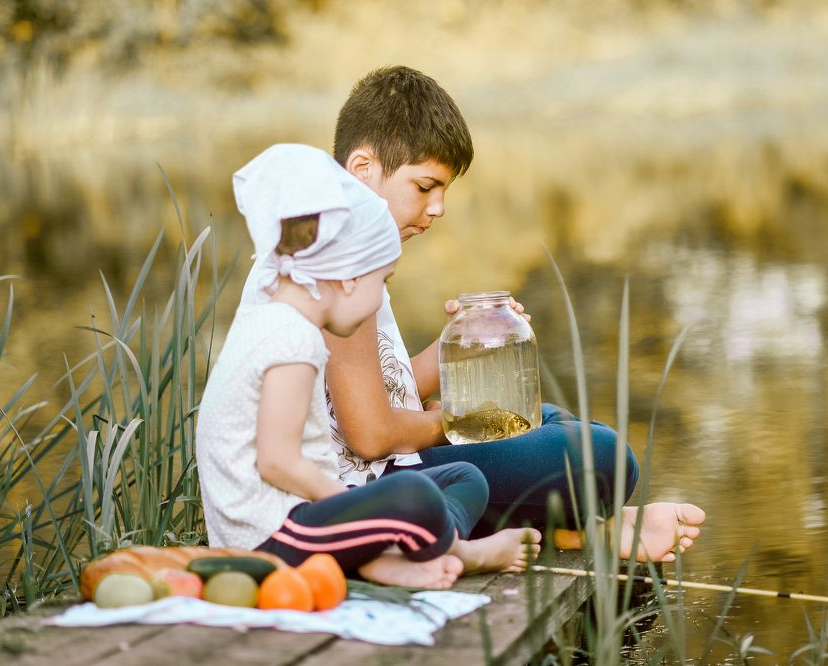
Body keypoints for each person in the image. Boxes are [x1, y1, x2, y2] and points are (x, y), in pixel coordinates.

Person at [240, 66, 705, 564]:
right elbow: (370, 435)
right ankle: (577, 527)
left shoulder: (336, 239)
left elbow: (368, 394)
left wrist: (462, 347)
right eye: (425, 186)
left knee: (548, 421)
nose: (438, 207)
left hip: (383, 467)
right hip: (361, 486)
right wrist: (460, 423)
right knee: (605, 458)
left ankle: (579, 528)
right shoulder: (337, 261)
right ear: (362, 169)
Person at [197, 144, 540, 590]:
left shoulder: (275, 319)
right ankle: (465, 553)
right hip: (271, 534)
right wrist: (353, 506)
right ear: (347, 278)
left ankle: (388, 556)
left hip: (300, 517)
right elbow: (278, 461)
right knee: (412, 495)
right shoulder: (292, 338)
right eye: (383, 281)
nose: (380, 298)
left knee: (464, 476)